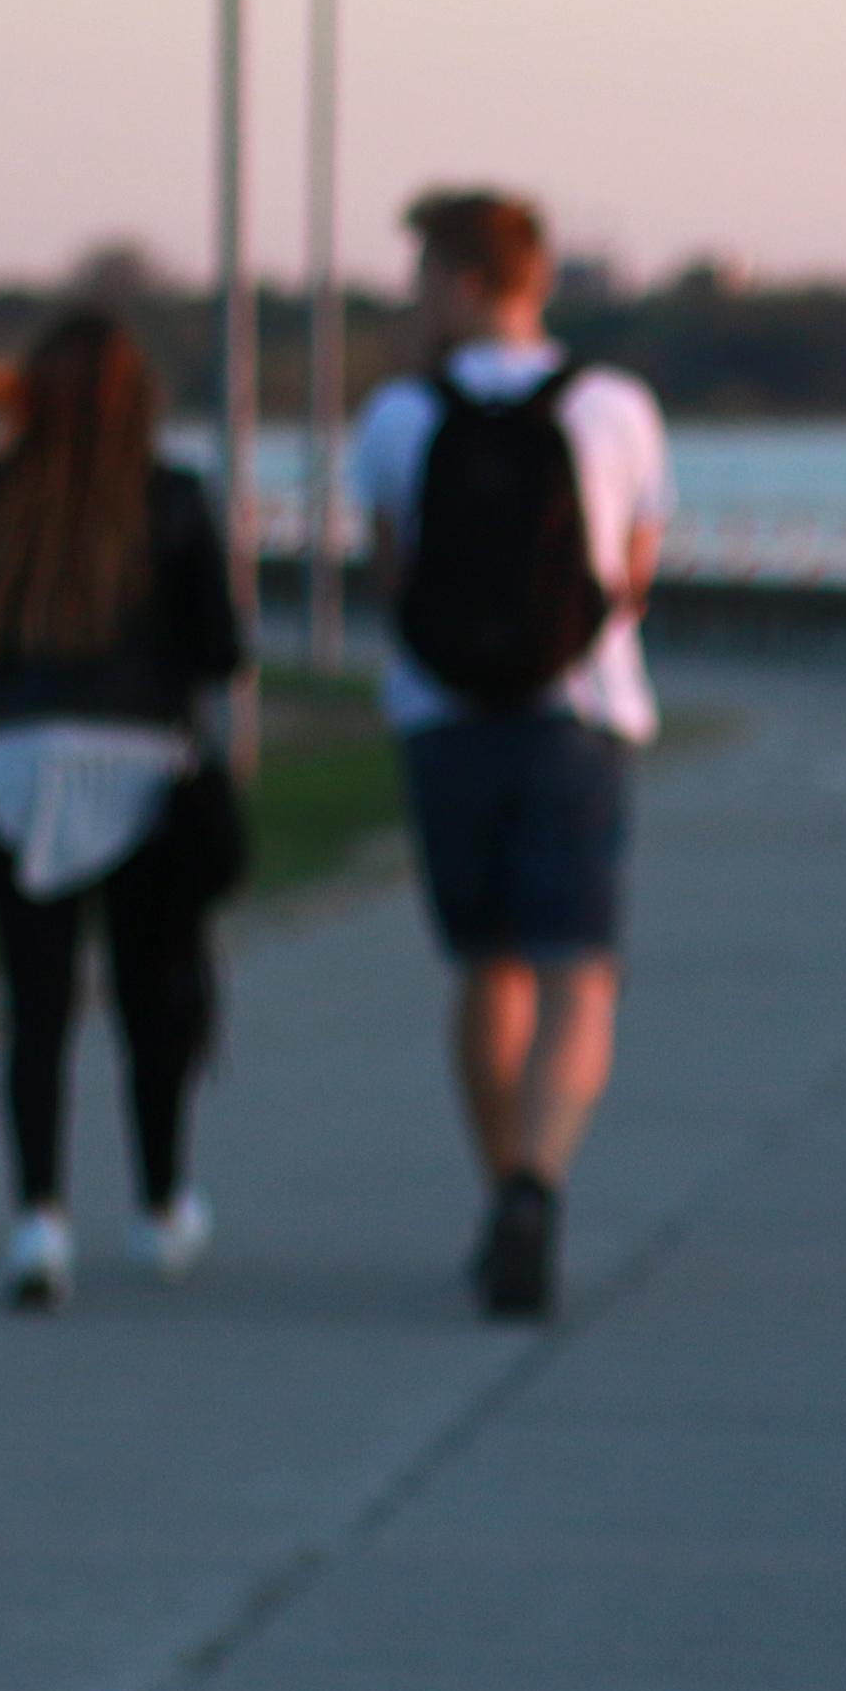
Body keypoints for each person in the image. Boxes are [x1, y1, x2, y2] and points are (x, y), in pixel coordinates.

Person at [348, 186, 671, 1322]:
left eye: (424, 275)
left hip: (443, 719)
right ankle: (539, 1184)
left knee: (488, 966)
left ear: (468, 279)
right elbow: (635, 567)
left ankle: (499, 1199)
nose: (414, 299)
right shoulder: (616, 407)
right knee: (579, 969)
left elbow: (390, 570)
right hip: (581, 714)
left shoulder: (397, 417)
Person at [0, 314, 246, 1310]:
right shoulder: (175, 499)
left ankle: (38, 1224)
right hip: (143, 767)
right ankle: (159, 1209)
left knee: (36, 1007)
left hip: (18, 769)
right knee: (152, 998)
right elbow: (220, 651)